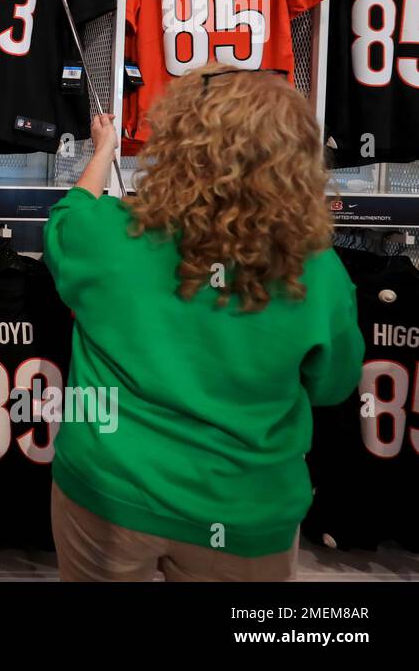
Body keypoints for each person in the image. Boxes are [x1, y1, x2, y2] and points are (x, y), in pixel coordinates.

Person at [43, 63, 364, 581]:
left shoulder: (105, 233)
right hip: (244, 513)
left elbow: (66, 218)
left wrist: (102, 151)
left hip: (113, 495)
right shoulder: (318, 269)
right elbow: (333, 386)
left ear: (176, 142)